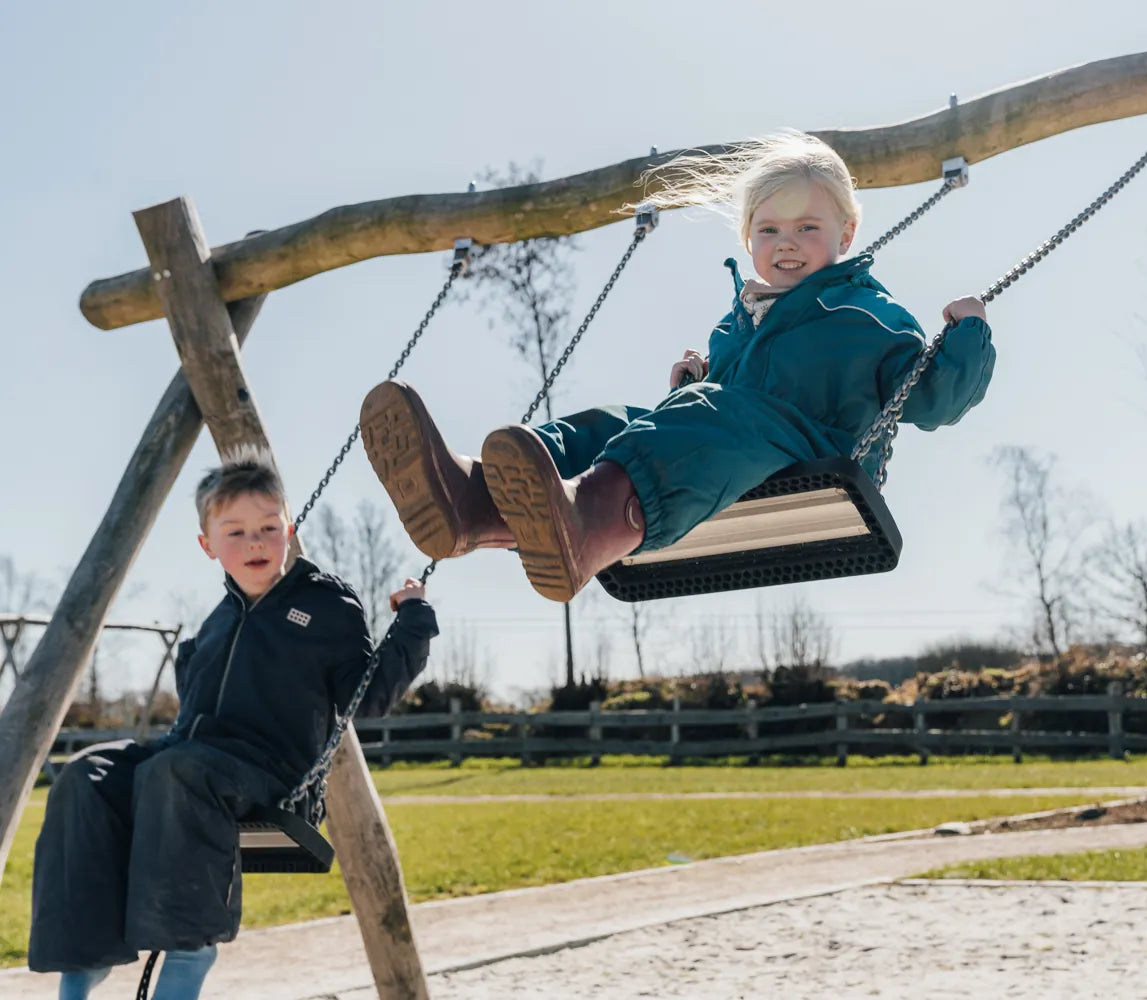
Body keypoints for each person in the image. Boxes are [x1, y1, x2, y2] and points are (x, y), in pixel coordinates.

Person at [360, 130, 995, 602]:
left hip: (814, 457)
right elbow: (709, 415)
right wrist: (690, 389)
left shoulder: (868, 315)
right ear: (749, 239)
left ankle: (589, 525)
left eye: (808, 226)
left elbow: (933, 400)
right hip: (733, 453)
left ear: (847, 234)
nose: (787, 243)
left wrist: (967, 335)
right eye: (769, 230)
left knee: (710, 414)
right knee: (609, 424)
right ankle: (472, 502)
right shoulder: (738, 321)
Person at [29, 449, 439, 999]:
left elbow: (370, 696)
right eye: (237, 531)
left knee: (177, 772)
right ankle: (82, 968)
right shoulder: (217, 622)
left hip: (269, 776)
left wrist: (413, 620)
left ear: (288, 532)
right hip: (193, 763)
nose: (255, 542)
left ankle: (188, 955)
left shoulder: (327, 604)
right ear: (208, 545)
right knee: (87, 775)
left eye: (269, 528)